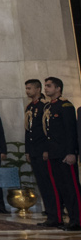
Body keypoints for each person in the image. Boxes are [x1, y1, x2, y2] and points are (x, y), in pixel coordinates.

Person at [42, 76, 80, 230]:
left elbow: (71, 132)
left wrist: (72, 153)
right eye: (45, 86)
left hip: (65, 154)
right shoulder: (49, 107)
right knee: (60, 188)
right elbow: (48, 133)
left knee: (71, 188)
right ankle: (69, 219)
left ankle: (77, 220)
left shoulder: (66, 106)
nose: (46, 89)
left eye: (49, 86)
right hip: (54, 154)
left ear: (58, 88)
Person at [25, 79, 58, 227]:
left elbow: (47, 131)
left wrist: (46, 149)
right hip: (34, 151)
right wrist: (27, 151)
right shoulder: (29, 107)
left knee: (50, 183)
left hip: (43, 151)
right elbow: (28, 131)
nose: (27, 91)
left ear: (38, 90)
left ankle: (55, 214)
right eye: (26, 88)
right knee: (42, 184)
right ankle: (50, 213)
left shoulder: (45, 106)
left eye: (30, 88)